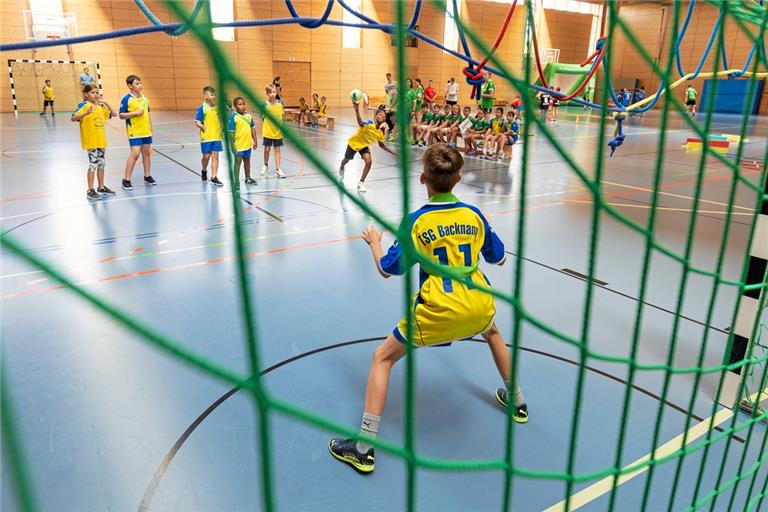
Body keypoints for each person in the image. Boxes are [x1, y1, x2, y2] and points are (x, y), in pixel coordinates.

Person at [328, 143, 528, 474]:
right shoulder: (474, 215)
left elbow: (387, 269)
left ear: (422, 179)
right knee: (492, 332)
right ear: (459, 177)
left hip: (438, 309)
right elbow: (499, 258)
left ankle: (363, 448)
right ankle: (518, 402)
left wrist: (375, 243)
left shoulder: (416, 221)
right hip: (477, 301)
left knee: (383, 358)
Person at [338, 102, 397, 193]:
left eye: (384, 116)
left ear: (384, 120)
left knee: (369, 162)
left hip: (364, 146)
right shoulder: (369, 123)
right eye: (380, 114)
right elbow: (361, 123)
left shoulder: (380, 132)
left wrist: (393, 152)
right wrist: (357, 110)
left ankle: (361, 183)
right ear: (376, 115)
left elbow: (381, 145)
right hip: (354, 143)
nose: (381, 116)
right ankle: (342, 167)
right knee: (346, 160)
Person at [71, 84, 118, 200]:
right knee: (93, 164)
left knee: (102, 163)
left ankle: (101, 187)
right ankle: (90, 189)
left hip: (101, 140)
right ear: (86, 94)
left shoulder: (101, 106)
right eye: (93, 92)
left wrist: (106, 102)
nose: (96, 95)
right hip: (91, 140)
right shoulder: (83, 105)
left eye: (97, 92)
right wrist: (85, 113)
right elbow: (73, 118)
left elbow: (114, 114)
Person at [119, 75, 155, 190]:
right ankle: (126, 180)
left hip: (146, 131)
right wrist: (134, 113)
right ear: (130, 86)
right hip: (134, 131)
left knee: (147, 153)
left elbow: (148, 115)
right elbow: (121, 115)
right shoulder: (126, 99)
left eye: (140, 83)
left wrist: (151, 130)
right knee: (135, 154)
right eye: (136, 83)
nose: (140, 85)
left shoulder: (145, 99)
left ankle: (147, 176)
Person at [195, 86, 224, 187]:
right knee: (206, 157)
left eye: (214, 94)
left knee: (215, 156)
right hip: (206, 137)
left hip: (216, 136)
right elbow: (197, 121)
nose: (214, 96)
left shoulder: (217, 108)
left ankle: (214, 177)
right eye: (211, 95)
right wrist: (201, 126)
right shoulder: (202, 108)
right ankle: (204, 170)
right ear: (205, 96)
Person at [228, 97, 258, 185]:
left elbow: (253, 129)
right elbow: (231, 133)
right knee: (237, 163)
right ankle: (236, 180)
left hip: (247, 145)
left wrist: (255, 141)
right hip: (238, 146)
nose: (243, 106)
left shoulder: (249, 116)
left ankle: (247, 178)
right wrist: (232, 146)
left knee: (247, 161)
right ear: (235, 106)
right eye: (240, 104)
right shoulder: (233, 117)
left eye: (244, 104)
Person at [261, 84, 286, 179]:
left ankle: (278, 169)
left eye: (274, 92)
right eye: (270, 92)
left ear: (277, 93)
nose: (272, 94)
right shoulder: (264, 104)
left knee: (277, 150)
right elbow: (262, 117)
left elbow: (282, 116)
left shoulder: (280, 103)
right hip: (268, 131)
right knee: (267, 149)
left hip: (278, 131)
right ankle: (265, 165)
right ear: (267, 93)